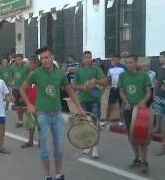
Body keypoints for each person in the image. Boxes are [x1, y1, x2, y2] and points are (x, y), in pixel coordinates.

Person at [20, 47, 86, 180]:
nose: (45, 60)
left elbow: (69, 90)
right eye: (42, 58)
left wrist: (79, 107)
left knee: (59, 149)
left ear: (52, 57)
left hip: (58, 116)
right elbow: (23, 89)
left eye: (47, 57)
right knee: (44, 149)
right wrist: (29, 105)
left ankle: (58, 173)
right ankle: (47, 176)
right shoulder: (36, 74)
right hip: (43, 116)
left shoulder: (60, 74)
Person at [119, 54, 152, 173]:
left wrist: (143, 102)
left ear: (136, 63)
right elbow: (121, 91)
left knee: (142, 136)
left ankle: (144, 160)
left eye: (131, 62)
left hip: (141, 111)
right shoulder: (122, 76)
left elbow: (149, 92)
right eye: (127, 62)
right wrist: (126, 102)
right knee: (131, 135)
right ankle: (137, 157)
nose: (128, 65)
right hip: (128, 110)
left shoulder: (144, 76)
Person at [73, 51, 108, 159]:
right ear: (83, 59)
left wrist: (96, 81)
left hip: (94, 100)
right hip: (83, 100)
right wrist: (83, 88)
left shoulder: (96, 69)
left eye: (90, 57)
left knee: (94, 123)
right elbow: (74, 86)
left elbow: (105, 82)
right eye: (86, 57)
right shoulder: (78, 71)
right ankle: (88, 145)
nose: (88, 59)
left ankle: (95, 148)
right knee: (85, 124)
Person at [21, 56, 42, 148]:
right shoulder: (31, 74)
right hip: (31, 101)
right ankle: (30, 141)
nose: (29, 65)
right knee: (31, 123)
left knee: (40, 123)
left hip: (40, 102)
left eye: (30, 63)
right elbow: (26, 86)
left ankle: (41, 141)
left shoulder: (41, 73)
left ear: (35, 64)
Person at [152, 51, 165, 133]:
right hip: (158, 94)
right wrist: (154, 93)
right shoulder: (159, 68)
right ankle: (157, 128)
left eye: (161, 57)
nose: (159, 58)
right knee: (158, 112)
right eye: (159, 57)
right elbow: (156, 81)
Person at [11, 54, 30, 128]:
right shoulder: (13, 68)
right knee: (18, 107)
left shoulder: (26, 68)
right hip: (15, 89)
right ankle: (20, 121)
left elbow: (29, 78)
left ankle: (29, 121)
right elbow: (12, 78)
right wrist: (11, 88)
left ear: (22, 59)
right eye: (17, 59)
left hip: (24, 89)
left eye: (19, 59)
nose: (18, 61)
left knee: (25, 107)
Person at [106, 54, 126, 126]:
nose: (115, 61)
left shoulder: (124, 67)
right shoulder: (110, 68)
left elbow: (127, 77)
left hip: (121, 89)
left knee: (122, 105)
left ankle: (121, 121)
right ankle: (107, 120)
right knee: (110, 105)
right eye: (114, 59)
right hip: (113, 89)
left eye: (117, 59)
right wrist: (107, 86)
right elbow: (108, 78)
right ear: (112, 60)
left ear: (119, 60)